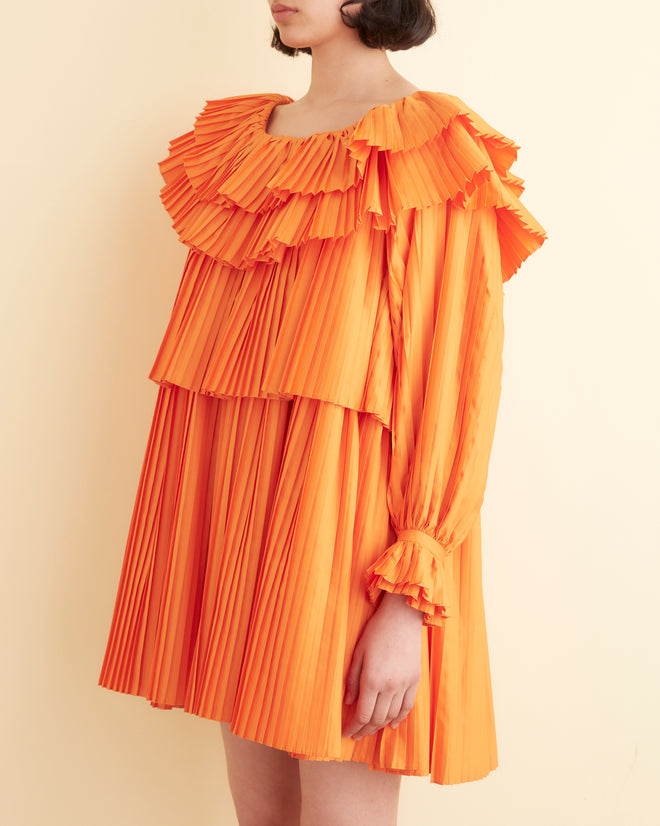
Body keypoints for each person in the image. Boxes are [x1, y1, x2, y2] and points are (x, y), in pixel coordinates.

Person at [98, 1, 547, 824]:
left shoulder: (427, 143)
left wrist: (408, 599)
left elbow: (454, 377)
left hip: (349, 545)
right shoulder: (240, 143)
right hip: (240, 533)